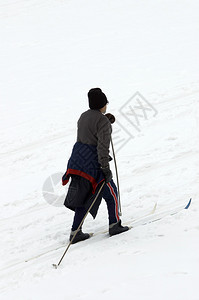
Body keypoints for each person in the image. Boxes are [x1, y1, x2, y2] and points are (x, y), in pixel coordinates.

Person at [62, 88, 129, 243]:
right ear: (102, 104)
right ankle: (115, 225)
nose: (107, 105)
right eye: (106, 102)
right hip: (94, 165)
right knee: (111, 192)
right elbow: (102, 148)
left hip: (78, 162)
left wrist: (105, 121)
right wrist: (105, 169)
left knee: (85, 196)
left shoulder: (83, 116)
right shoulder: (102, 121)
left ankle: (75, 232)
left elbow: (91, 131)